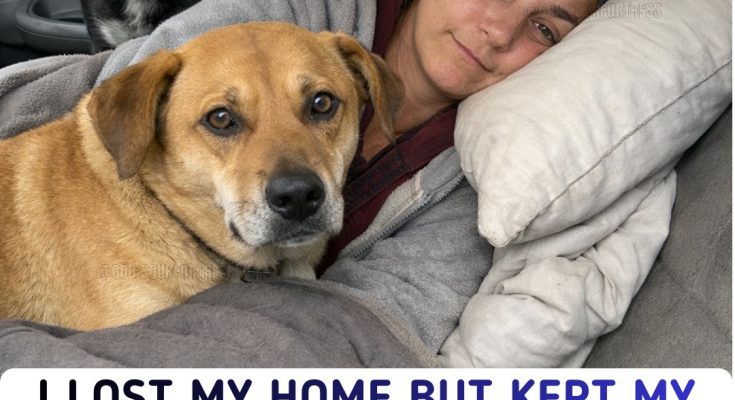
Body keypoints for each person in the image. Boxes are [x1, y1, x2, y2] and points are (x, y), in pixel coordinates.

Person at [0, 0, 609, 367]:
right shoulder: (261, 19)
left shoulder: (497, 177)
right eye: (223, 121)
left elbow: (379, 322)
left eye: (320, 107)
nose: (497, 31)